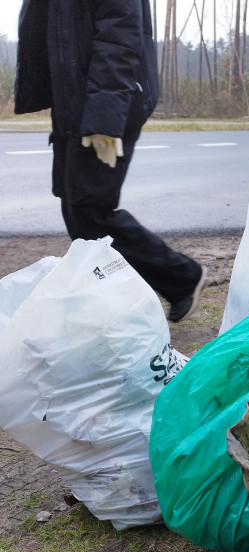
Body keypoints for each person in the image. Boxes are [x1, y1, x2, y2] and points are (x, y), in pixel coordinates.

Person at [14, 0, 206, 323]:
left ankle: (182, 277)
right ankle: (108, 299)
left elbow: (120, 36)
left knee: (91, 208)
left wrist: (104, 120)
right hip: (73, 101)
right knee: (73, 207)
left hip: (107, 101)